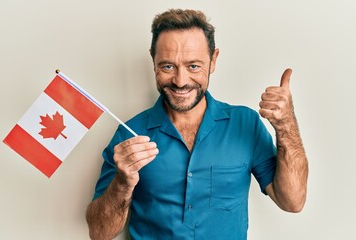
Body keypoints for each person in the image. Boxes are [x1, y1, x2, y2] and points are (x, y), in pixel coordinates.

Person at [86, 9, 308, 240]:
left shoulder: (246, 123)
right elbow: (99, 233)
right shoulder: (129, 135)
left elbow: (292, 201)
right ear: (153, 59)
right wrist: (122, 183)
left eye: (193, 66)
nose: (180, 81)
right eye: (168, 66)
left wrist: (286, 125)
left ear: (213, 60)